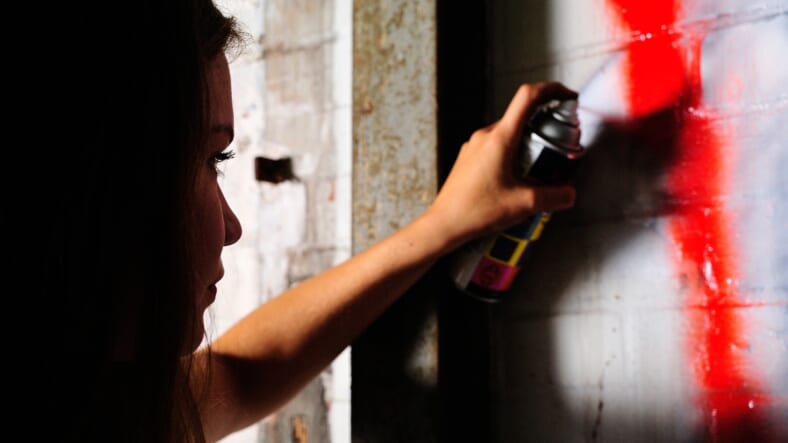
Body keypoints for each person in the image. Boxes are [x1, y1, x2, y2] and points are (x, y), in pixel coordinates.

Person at [18, 0, 577, 441]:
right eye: (211, 159)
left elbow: (247, 372)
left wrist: (442, 225)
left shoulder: (101, 399)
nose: (232, 227)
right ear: (107, 189)